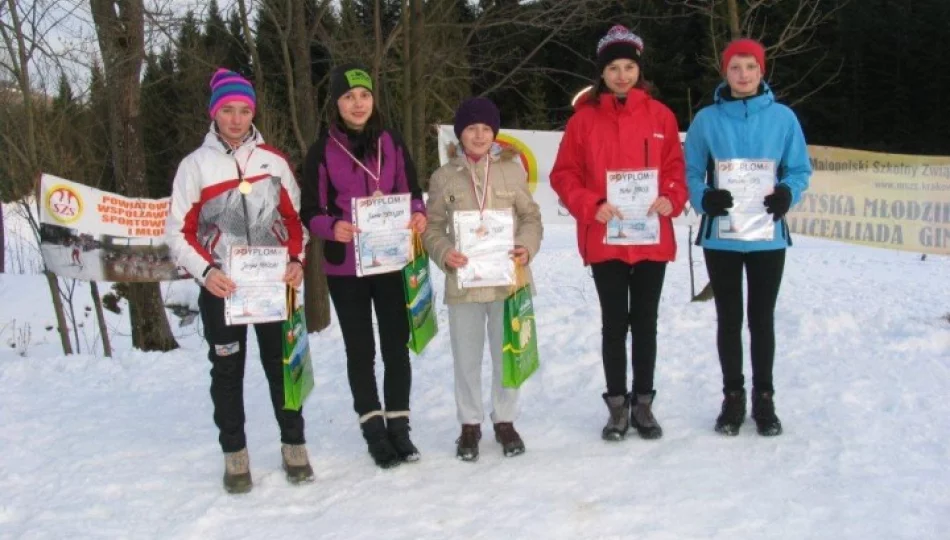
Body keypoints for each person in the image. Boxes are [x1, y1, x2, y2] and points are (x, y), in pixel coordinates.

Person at [165, 68, 312, 493]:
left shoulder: (274, 161)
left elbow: (294, 220)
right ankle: (235, 454)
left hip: (270, 287)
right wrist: (206, 273)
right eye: (227, 109)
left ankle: (294, 444)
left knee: (281, 366)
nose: (236, 118)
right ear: (214, 113)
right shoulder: (195, 165)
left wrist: (297, 261)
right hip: (222, 288)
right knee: (227, 371)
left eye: (244, 110)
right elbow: (177, 232)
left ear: (253, 112)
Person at [550, 25, 687, 442]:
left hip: (650, 238)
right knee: (614, 324)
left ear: (639, 69)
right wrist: (591, 204)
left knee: (645, 322)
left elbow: (675, 171)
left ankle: (643, 403)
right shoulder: (583, 120)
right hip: (606, 237)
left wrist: (671, 197)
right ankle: (616, 407)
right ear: (602, 73)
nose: (622, 75)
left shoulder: (662, 116)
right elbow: (564, 174)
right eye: (614, 67)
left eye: (629, 66)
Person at [299, 63, 426, 469]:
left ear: (374, 99)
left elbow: (412, 191)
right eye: (349, 97)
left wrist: (419, 214)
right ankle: (374, 429)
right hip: (346, 267)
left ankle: (399, 427)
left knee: (395, 345)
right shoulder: (323, 150)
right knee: (361, 350)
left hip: (389, 260)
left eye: (364, 95)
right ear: (336, 103)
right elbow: (310, 210)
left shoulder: (391, 140)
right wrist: (330, 226)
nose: (358, 104)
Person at [684, 38, 811, 437]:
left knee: (761, 319)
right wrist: (704, 196)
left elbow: (799, 169)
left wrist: (788, 192)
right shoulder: (706, 120)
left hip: (766, 236)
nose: (743, 75)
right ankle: (733, 397)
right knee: (728, 318)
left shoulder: (784, 118)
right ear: (725, 72)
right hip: (722, 236)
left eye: (750, 67)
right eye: (735, 68)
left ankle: (764, 398)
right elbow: (690, 172)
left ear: (762, 71)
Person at [422, 97, 543, 462]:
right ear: (460, 134)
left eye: (486, 129)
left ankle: (505, 420)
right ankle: (470, 424)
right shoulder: (444, 177)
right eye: (472, 128)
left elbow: (531, 218)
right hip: (465, 283)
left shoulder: (512, 171)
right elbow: (431, 227)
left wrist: (525, 247)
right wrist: (445, 253)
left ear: (495, 134)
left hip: (508, 280)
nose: (479, 135)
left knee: (508, 353)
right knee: (466, 357)